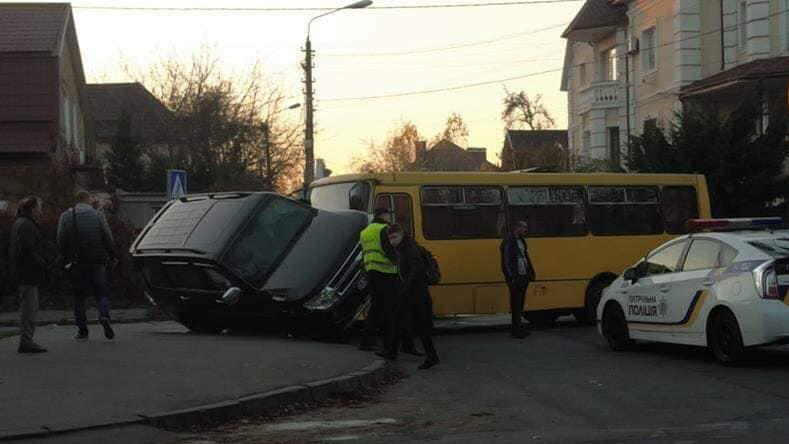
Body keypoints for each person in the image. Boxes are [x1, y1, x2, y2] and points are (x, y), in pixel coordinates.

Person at [57, 190, 116, 340]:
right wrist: (113, 255)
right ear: (87, 199)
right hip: (97, 261)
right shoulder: (98, 215)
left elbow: (60, 240)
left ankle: (82, 330)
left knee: (79, 297)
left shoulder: (66, 216)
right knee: (101, 292)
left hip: (77, 262)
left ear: (76, 201)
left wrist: (65, 257)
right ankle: (104, 315)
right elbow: (108, 238)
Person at [386, 224, 439, 369]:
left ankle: (432, 356)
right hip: (412, 293)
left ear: (402, 235)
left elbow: (415, 271)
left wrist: (404, 288)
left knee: (420, 326)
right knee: (398, 320)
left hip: (416, 294)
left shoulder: (409, 250)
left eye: (395, 237)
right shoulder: (404, 249)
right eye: (390, 238)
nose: (392, 241)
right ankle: (392, 351)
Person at [9, 196, 48, 354]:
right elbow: (28, 249)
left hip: (23, 272)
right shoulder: (26, 225)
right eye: (39, 207)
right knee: (29, 308)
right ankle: (26, 340)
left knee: (29, 306)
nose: (40, 210)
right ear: (32, 209)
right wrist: (42, 263)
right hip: (28, 273)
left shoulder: (20, 222)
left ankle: (27, 339)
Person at [500, 221, 536, 339]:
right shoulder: (509, 242)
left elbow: (526, 257)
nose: (526, 230)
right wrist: (511, 278)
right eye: (524, 228)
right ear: (517, 228)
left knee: (520, 304)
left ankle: (518, 328)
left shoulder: (522, 241)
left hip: (523, 276)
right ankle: (516, 329)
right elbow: (506, 262)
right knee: (516, 304)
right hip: (516, 278)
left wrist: (530, 272)